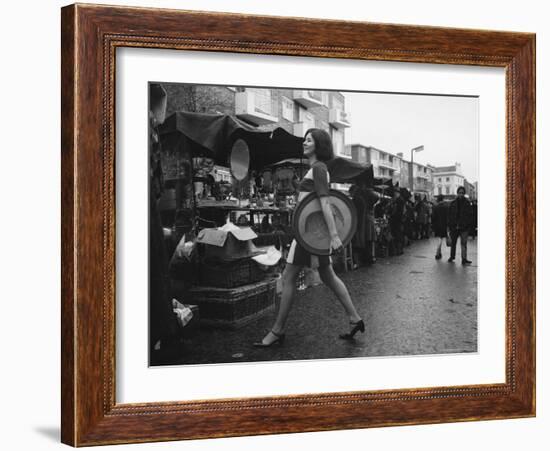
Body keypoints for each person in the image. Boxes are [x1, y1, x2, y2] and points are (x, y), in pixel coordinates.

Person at [254, 129, 364, 347]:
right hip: (311, 234)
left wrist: (333, 235)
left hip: (307, 235)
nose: (304, 143)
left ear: (319, 145)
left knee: (288, 278)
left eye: (309, 140)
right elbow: (313, 200)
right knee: (328, 276)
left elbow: (325, 202)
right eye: (304, 139)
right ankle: (355, 318)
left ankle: (277, 331)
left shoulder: (319, 168)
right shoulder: (315, 169)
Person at [447, 186, 474, 265]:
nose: (461, 194)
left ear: (464, 193)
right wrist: (450, 225)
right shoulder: (453, 203)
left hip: (464, 227)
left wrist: (468, 225)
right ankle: (452, 256)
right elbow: (449, 215)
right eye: (459, 193)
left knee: (464, 243)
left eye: (462, 193)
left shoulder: (467, 203)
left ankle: (464, 259)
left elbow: (470, 215)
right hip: (454, 226)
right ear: (457, 193)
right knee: (453, 243)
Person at [431, 194, 448, 260]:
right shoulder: (446, 206)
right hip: (444, 225)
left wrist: (433, 225)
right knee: (440, 239)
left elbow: (433, 217)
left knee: (439, 239)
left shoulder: (435, 207)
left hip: (437, 225)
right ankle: (438, 253)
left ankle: (438, 253)